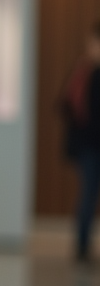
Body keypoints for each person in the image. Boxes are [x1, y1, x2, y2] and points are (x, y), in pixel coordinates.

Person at [62, 22, 100, 262]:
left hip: (89, 144)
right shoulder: (84, 72)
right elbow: (66, 105)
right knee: (88, 195)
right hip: (90, 146)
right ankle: (82, 248)